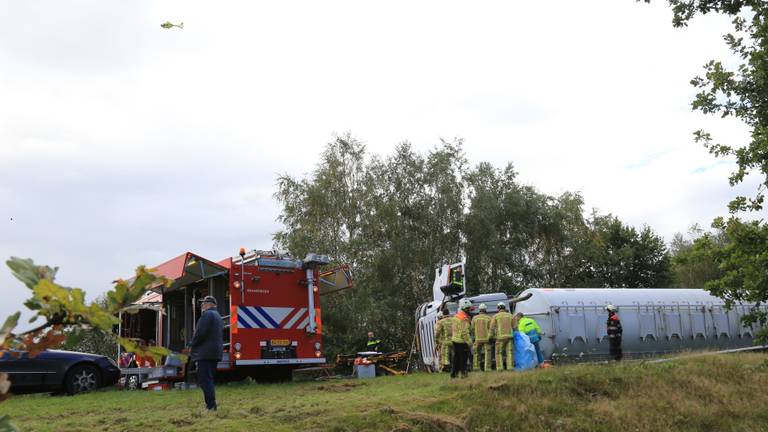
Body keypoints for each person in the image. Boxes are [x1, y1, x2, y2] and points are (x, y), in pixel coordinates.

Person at [188, 295, 223, 411]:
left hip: (205, 353)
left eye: (204, 303)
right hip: (215, 353)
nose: (202, 305)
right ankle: (212, 404)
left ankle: (211, 406)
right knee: (209, 379)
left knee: (205, 380)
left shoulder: (207, 315)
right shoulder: (218, 316)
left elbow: (200, 334)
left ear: (209, 304)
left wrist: (191, 344)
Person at [450, 298, 473, 378]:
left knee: (456, 359)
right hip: (461, 342)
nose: (470, 310)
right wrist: (469, 342)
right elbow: (464, 332)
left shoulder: (456, 316)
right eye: (469, 309)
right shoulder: (464, 318)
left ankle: (454, 374)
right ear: (466, 308)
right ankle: (463, 374)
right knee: (463, 359)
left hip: (454, 340)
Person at [490, 302, 514, 370]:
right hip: (509, 337)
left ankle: (500, 368)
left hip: (500, 338)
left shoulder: (495, 316)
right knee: (509, 352)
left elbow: (492, 328)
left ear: (498, 308)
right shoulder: (510, 315)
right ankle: (510, 367)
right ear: (505, 307)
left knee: (498, 353)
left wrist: (490, 337)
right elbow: (515, 327)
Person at [471, 303, 492, 371]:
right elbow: (491, 329)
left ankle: (476, 367)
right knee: (487, 353)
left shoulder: (474, 318)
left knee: (476, 353)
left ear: (479, 310)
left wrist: (474, 337)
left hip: (477, 339)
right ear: (485, 310)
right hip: (487, 339)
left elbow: (472, 328)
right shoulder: (489, 318)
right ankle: (487, 368)